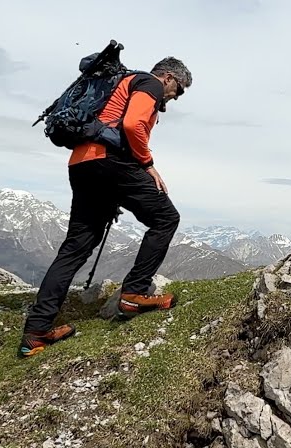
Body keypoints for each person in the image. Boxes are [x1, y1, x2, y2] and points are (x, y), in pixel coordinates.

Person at [18, 56, 193, 358]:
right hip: (111, 161)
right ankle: (134, 294)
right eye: (179, 89)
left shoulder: (118, 85)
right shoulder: (148, 83)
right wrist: (148, 165)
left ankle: (37, 331)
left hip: (82, 163)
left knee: (76, 247)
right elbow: (132, 123)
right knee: (166, 218)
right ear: (167, 77)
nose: (176, 97)